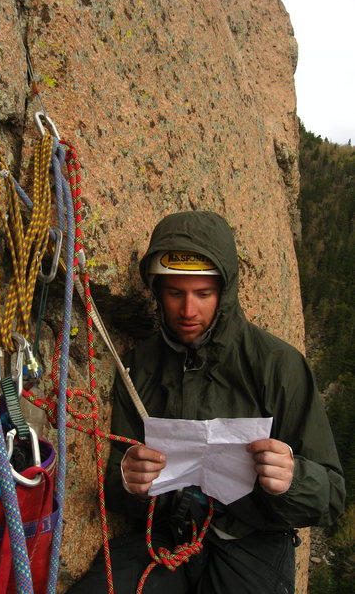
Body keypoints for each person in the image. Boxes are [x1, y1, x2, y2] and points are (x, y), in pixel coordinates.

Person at [68, 211, 345, 594]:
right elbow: (115, 483)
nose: (188, 311)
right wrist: (129, 481)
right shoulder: (138, 365)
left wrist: (294, 479)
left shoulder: (278, 365)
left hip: (253, 540)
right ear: (156, 291)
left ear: (225, 291)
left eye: (203, 294)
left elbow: (332, 497)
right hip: (169, 535)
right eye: (175, 293)